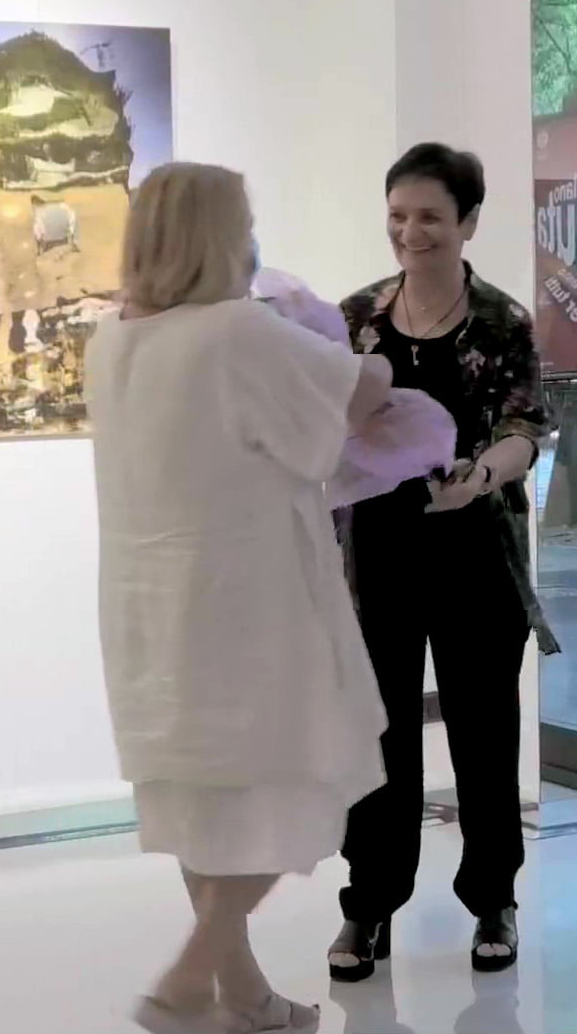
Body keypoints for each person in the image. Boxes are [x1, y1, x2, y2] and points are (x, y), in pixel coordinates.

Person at [85, 162, 395, 1034]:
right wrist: (361, 352)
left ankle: (246, 996)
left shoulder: (111, 339)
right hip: (248, 612)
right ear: (219, 235)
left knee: (202, 811)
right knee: (315, 775)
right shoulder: (235, 333)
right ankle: (189, 977)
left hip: (149, 609)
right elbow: (356, 398)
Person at [327, 142, 556, 982]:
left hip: (476, 553)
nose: (410, 231)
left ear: (468, 222)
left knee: (484, 735)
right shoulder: (355, 317)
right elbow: (323, 420)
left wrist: (483, 475)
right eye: (398, 215)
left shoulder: (502, 320)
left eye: (429, 216)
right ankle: (369, 903)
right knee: (375, 735)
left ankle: (493, 897)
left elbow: (525, 428)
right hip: (375, 559)